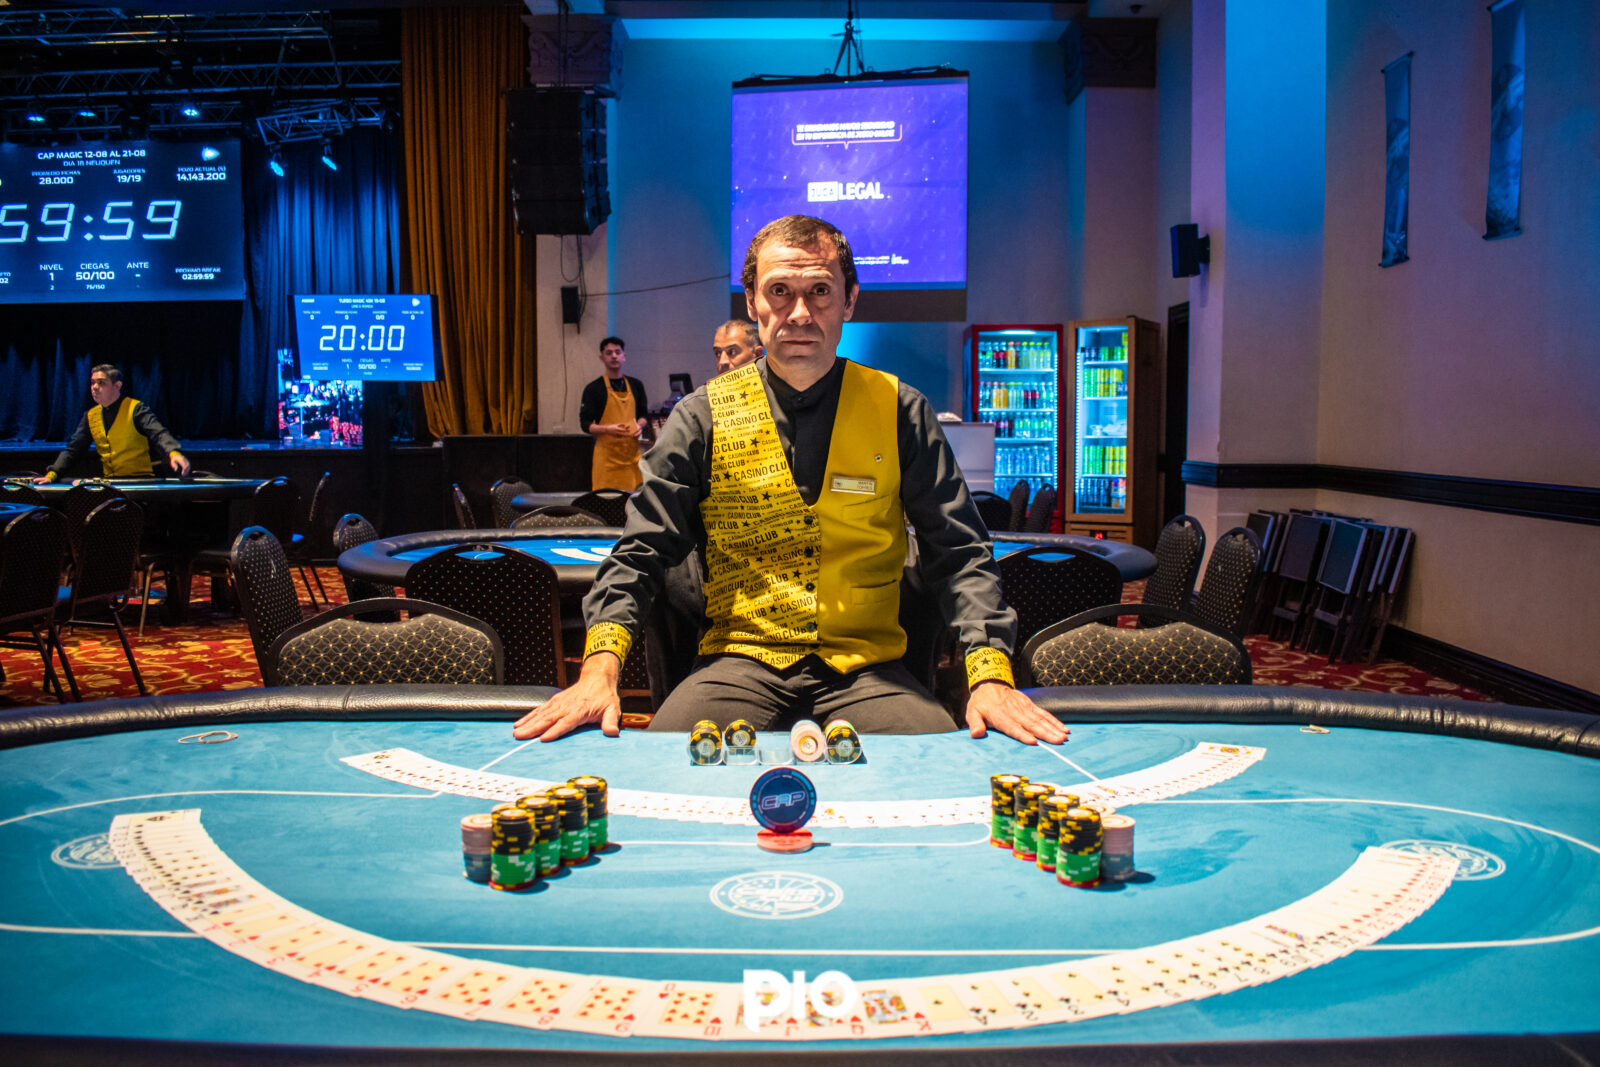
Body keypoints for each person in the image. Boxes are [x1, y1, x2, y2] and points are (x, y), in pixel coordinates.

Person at [514, 215, 1066, 748]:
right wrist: (598, 670)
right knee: (666, 772)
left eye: (820, 291)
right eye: (779, 291)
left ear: (849, 300)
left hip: (870, 672)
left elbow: (960, 553)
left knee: (937, 771)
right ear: (752, 302)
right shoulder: (701, 417)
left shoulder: (901, 410)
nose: (799, 313)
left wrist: (990, 677)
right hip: (737, 664)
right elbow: (642, 551)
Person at [36, 364, 191, 483]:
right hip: (111, 482)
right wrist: (52, 474)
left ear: (117, 386)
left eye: (101, 383)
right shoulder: (91, 415)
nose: (95, 387)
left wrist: (173, 453)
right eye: (93, 383)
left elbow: (159, 433)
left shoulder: (135, 409)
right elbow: (73, 449)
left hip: (142, 480)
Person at [578, 336, 649, 491]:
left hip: (632, 459)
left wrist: (639, 425)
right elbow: (585, 424)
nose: (614, 356)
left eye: (618, 352)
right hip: (607, 461)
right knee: (605, 500)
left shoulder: (636, 385)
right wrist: (608, 429)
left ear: (624, 356)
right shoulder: (593, 389)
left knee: (633, 500)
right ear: (602, 357)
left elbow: (644, 415)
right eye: (609, 353)